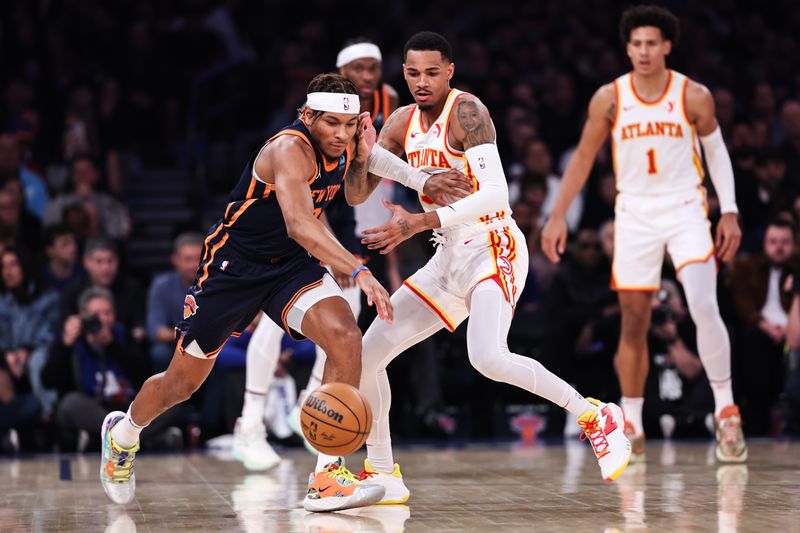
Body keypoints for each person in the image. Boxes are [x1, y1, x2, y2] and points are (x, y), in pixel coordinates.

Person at [99, 73, 464, 511]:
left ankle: (327, 477)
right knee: (182, 384)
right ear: (307, 116)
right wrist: (358, 270)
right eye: (332, 124)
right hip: (234, 267)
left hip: (290, 265)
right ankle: (123, 435)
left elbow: (367, 171)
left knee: (346, 337)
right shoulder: (288, 149)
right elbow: (299, 223)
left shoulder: (347, 141)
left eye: (350, 126)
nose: (342, 134)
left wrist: (419, 180)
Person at [344, 32, 631, 505]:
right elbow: (358, 193)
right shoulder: (399, 120)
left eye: (432, 72)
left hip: (493, 243)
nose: (421, 82)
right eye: (412, 73)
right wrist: (362, 151)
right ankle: (382, 472)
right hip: (447, 252)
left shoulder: (467, 112)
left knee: (487, 357)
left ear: (450, 70)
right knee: (367, 355)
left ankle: (592, 415)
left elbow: (497, 194)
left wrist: (420, 220)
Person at [541, 5, 747, 462]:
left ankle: (726, 410)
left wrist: (728, 211)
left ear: (667, 46)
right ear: (628, 48)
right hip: (633, 213)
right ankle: (631, 421)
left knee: (703, 303)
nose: (644, 51)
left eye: (652, 43)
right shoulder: (609, 98)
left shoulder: (693, 96)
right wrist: (558, 215)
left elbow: (718, 155)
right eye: (636, 44)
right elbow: (582, 159)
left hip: (686, 208)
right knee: (633, 321)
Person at [230, 40, 406, 471]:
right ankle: (249, 424)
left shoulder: (391, 104)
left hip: (361, 219)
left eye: (375, 67)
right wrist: (334, 254)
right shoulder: (312, 123)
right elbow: (306, 205)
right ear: (343, 70)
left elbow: (375, 168)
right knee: (274, 326)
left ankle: (311, 406)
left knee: (348, 322)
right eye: (360, 68)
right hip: (309, 223)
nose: (369, 75)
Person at [728, 218, 796, 435]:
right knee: (751, 339)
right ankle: (757, 421)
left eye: (785, 242)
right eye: (773, 241)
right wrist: (765, 325)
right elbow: (742, 304)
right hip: (760, 330)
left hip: (794, 332)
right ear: (764, 243)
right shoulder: (748, 268)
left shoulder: (797, 271)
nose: (779, 247)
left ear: (794, 244)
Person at [146, 233, 204, 372]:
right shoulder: (161, 285)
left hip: (207, 343)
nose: (193, 265)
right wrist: (187, 335)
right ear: (175, 260)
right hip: (175, 343)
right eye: (188, 259)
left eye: (198, 259)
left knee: (222, 355)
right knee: (159, 353)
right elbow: (156, 330)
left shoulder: (215, 285)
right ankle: (164, 394)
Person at [41, 225, 85, 293]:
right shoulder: (40, 279)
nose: (73, 248)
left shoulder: (85, 275)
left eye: (74, 242)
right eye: (65, 244)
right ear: (50, 251)